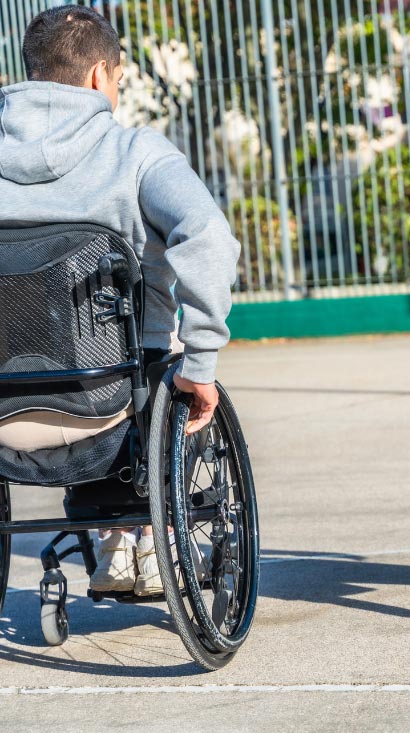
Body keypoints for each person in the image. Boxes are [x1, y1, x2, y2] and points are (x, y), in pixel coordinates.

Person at [0, 6, 238, 596]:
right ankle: (148, 543)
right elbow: (208, 236)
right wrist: (202, 363)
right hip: (118, 396)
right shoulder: (135, 153)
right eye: (120, 81)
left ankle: (115, 544)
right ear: (97, 76)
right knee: (173, 367)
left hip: (3, 405)